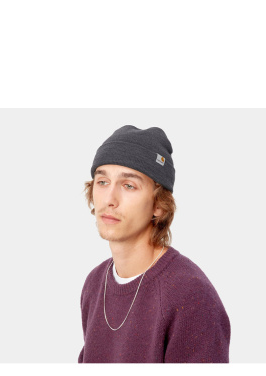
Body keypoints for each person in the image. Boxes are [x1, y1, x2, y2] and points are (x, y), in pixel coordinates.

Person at [78, 125, 231, 363]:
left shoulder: (190, 295)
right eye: (102, 181)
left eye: (129, 185)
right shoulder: (95, 283)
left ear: (158, 204)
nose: (109, 199)